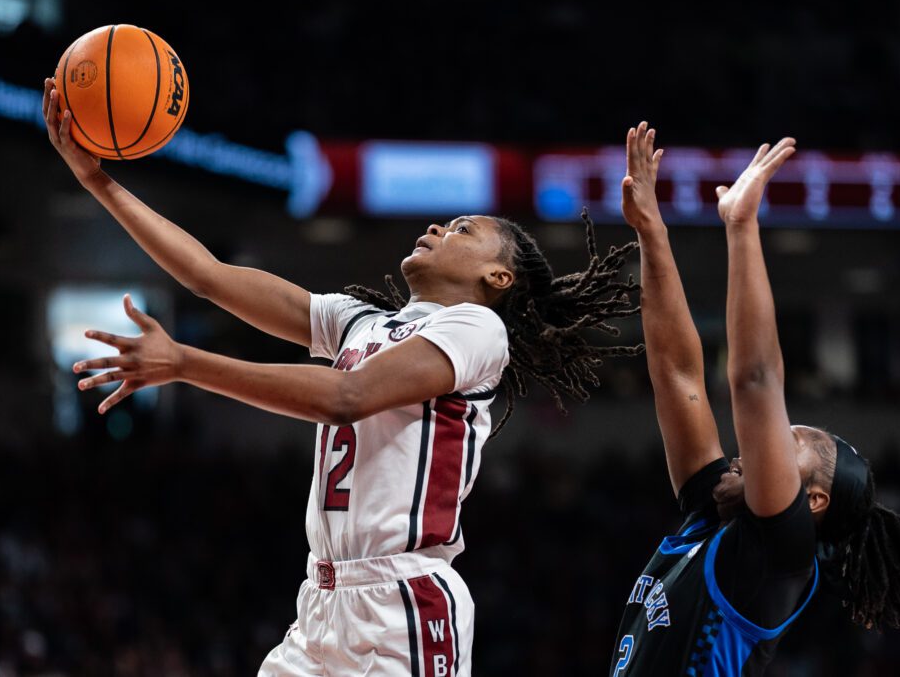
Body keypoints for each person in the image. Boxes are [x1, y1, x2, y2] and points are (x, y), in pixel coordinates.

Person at [42, 78, 641, 676]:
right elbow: (207, 275)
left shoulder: (479, 330)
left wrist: (186, 363)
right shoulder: (360, 324)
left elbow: (346, 396)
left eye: (463, 229)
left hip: (402, 607)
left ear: (498, 278)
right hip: (321, 603)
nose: (437, 228)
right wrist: (97, 180)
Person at [609, 122, 900, 676]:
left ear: (810, 502)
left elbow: (756, 379)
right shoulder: (709, 516)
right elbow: (677, 373)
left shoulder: (780, 556)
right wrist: (652, 233)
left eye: (788, 442)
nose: (753, 447)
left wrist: (742, 228)